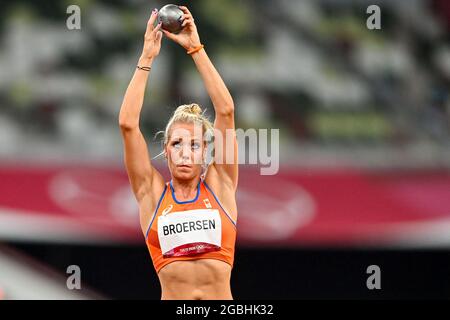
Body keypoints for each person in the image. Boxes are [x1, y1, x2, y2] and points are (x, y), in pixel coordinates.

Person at [118, 6, 238, 300]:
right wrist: (146, 58)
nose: (185, 153)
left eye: (194, 145)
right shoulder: (151, 192)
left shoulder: (221, 184)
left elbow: (226, 110)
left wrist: (195, 48)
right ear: (166, 151)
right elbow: (127, 124)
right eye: (177, 144)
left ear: (206, 152)